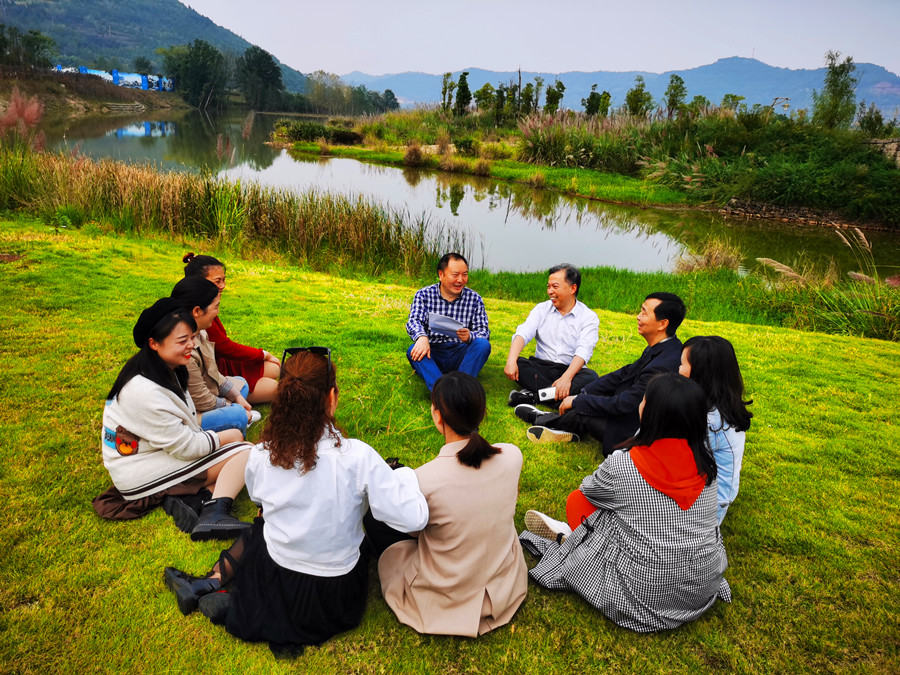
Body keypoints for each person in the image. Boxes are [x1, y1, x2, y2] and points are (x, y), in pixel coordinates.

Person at [163, 348, 429, 657]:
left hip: (277, 576)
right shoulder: (358, 457)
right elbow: (414, 519)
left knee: (261, 527)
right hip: (336, 597)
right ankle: (216, 590)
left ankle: (210, 585)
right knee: (272, 528)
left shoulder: (262, 454)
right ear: (331, 398)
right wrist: (405, 477)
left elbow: (262, 502)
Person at [520, 373, 731, 633]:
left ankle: (569, 540)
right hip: (701, 587)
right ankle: (572, 539)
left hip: (644, 594)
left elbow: (587, 492)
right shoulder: (707, 465)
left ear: (650, 413)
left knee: (586, 505)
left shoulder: (625, 464)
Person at [365, 372, 527, 637]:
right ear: (483, 412)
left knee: (375, 517)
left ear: (437, 415)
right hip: (503, 587)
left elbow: (412, 527)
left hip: (445, 596)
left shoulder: (424, 480)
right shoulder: (512, 455)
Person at [96, 297, 252, 541]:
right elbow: (187, 447)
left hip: (153, 456)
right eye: (183, 340)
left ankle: (199, 501)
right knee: (245, 452)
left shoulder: (165, 369)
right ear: (154, 343)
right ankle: (215, 513)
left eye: (192, 337)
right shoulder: (143, 390)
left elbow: (184, 431)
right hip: (140, 474)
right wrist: (225, 438)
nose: (192, 345)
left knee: (235, 442)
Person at [515, 292, 685, 454]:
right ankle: (554, 412)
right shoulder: (664, 347)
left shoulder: (664, 364)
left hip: (633, 433)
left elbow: (625, 404)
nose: (638, 317)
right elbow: (625, 373)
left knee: (585, 412)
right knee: (588, 391)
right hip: (623, 406)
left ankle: (545, 419)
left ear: (663, 324)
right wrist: (586, 392)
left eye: (644, 313)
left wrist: (579, 401)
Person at [183, 253, 280, 405]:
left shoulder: (204, 303)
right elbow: (224, 347)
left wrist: (262, 355)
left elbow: (224, 346)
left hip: (221, 366)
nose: (222, 285)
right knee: (275, 388)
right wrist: (262, 354)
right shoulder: (198, 311)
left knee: (274, 369)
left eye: (224, 280)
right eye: (217, 281)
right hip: (215, 374)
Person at [170, 276, 259, 437]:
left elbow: (214, 374)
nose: (218, 312)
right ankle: (235, 425)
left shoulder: (200, 332)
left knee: (242, 385)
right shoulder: (185, 350)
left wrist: (237, 397)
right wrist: (231, 406)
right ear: (197, 311)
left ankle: (234, 419)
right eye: (215, 307)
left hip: (207, 394)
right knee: (238, 413)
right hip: (192, 414)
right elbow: (202, 401)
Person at [504, 263, 599, 408]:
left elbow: (584, 350)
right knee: (519, 363)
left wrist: (566, 378)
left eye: (555, 287)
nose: (550, 291)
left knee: (591, 378)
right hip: (541, 367)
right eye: (548, 286)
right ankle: (562, 397)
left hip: (570, 370)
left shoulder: (588, 317)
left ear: (572, 288)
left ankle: (533, 398)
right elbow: (523, 333)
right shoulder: (541, 309)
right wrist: (511, 360)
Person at [680, 336, 753, 525]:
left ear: (700, 374)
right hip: (700, 492)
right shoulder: (712, 406)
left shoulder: (711, 423)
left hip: (705, 509)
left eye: (681, 364)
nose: (677, 370)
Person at [405, 252, 490, 391]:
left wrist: (470, 336)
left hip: (460, 353)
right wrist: (421, 337)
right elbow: (414, 321)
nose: (460, 280)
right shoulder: (424, 295)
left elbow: (484, 332)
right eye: (455, 275)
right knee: (413, 350)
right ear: (441, 274)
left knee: (482, 345)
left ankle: (459, 385)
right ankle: (442, 390)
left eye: (465, 274)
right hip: (433, 351)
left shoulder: (475, 299)